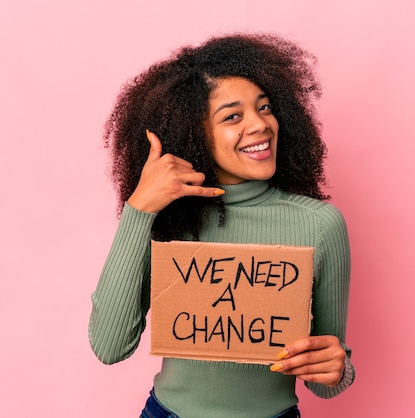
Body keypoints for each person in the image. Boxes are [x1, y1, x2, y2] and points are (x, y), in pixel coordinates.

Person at [89, 32, 355, 418]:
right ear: (195, 133)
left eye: (265, 108)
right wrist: (139, 210)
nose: (260, 125)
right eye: (233, 116)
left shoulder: (319, 225)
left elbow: (324, 379)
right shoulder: (165, 217)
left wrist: (337, 368)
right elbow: (110, 346)